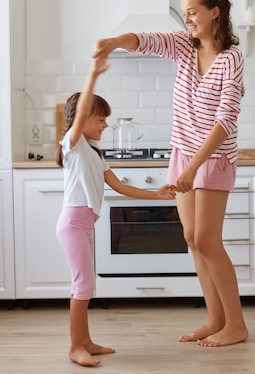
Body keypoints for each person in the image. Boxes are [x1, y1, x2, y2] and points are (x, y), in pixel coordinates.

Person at [93, 0, 247, 347]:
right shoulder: (182, 46)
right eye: (184, 13)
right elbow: (145, 40)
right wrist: (116, 41)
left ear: (214, 12)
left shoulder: (232, 60)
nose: (188, 19)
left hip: (212, 159)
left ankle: (237, 325)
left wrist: (193, 168)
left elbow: (226, 121)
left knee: (209, 241)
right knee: (192, 239)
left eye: (193, 12)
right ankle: (215, 321)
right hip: (182, 152)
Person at [55, 57, 176, 367]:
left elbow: (120, 187)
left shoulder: (95, 155)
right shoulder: (74, 145)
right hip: (73, 223)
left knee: (87, 285)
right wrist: (92, 73)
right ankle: (74, 347)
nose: (105, 125)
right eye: (100, 119)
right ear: (82, 121)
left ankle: (86, 341)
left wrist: (157, 194)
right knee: (82, 286)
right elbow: (81, 113)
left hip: (84, 224)